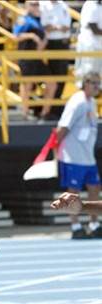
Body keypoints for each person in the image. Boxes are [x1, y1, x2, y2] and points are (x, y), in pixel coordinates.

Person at [56, 71, 101, 239]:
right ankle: (75, 225)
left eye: (99, 83)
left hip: (88, 156)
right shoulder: (77, 102)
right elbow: (63, 126)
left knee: (94, 188)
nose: (97, 87)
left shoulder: (93, 103)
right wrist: (55, 148)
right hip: (73, 155)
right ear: (85, 83)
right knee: (73, 191)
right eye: (94, 83)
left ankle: (94, 223)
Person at [13, 1, 50, 120]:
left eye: (37, 4)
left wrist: (43, 42)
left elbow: (43, 39)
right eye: (33, 4)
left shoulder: (39, 20)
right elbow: (16, 36)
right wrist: (31, 36)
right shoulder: (23, 19)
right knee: (27, 85)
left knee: (52, 83)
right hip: (26, 57)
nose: (36, 6)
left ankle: (45, 112)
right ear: (26, 6)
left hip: (36, 58)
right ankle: (25, 112)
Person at [39, 0, 71, 120]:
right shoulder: (42, 4)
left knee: (62, 76)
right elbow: (45, 26)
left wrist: (55, 28)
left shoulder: (63, 5)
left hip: (63, 44)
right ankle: (49, 109)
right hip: (51, 44)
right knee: (53, 78)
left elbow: (67, 27)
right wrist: (58, 28)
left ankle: (55, 108)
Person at [75, 0, 102, 82]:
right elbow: (93, 27)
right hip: (90, 45)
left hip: (97, 45)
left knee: (96, 75)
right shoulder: (91, 4)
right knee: (88, 73)